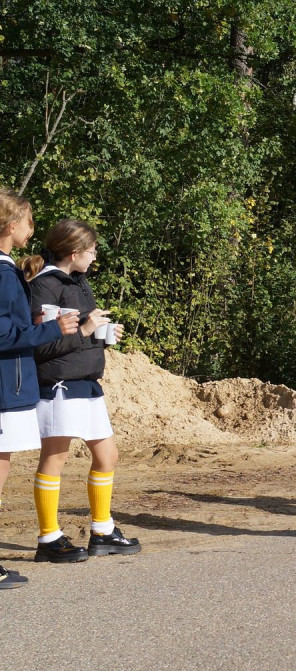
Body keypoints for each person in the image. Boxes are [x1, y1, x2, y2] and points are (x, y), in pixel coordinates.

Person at [22, 219, 140, 563]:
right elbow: (40, 347)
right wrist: (86, 330)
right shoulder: (45, 286)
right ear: (74, 252)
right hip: (59, 384)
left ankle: (102, 530)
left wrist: (103, 333)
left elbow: (79, 333)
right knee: (54, 459)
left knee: (108, 456)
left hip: (87, 382)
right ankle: (48, 539)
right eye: (92, 251)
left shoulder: (77, 282)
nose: (95, 256)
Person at [0, 190, 79, 587]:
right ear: (11, 226)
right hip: (4, 385)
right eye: (29, 222)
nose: (33, 230)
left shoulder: (6, 269)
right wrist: (49, 328)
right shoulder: (0, 272)